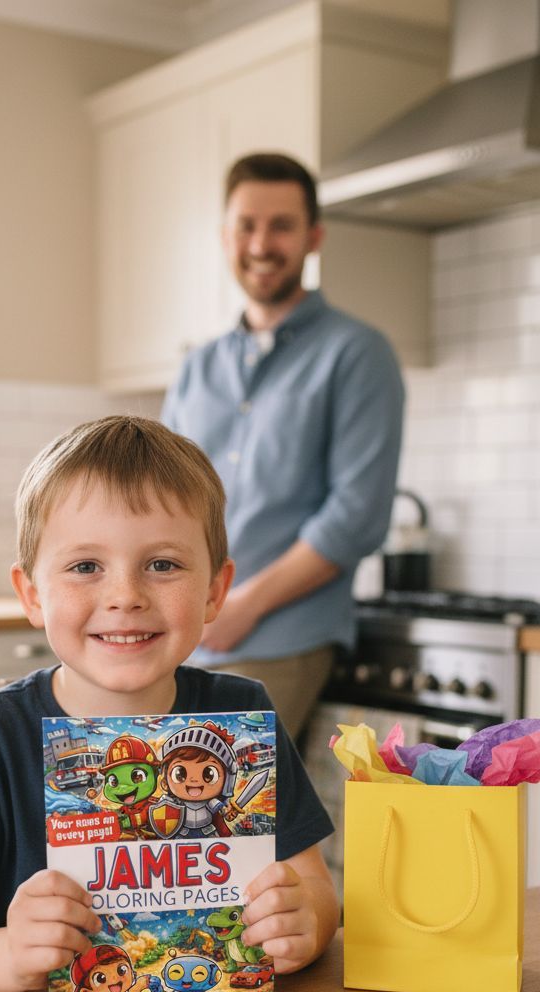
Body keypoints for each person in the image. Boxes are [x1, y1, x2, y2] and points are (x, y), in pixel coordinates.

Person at [0, 415, 339, 992]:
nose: (126, 595)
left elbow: (316, 890)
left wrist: (302, 924)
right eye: (86, 567)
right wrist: (8, 952)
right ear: (31, 593)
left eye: (163, 565)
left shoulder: (242, 712)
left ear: (214, 592)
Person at [162, 152, 404, 740]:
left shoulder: (357, 354)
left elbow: (355, 518)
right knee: (153, 820)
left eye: (282, 225)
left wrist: (240, 606)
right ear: (226, 237)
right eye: (247, 225)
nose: (261, 243)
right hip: (184, 637)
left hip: (276, 640)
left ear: (313, 237)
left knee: (218, 816)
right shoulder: (198, 367)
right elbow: (159, 501)